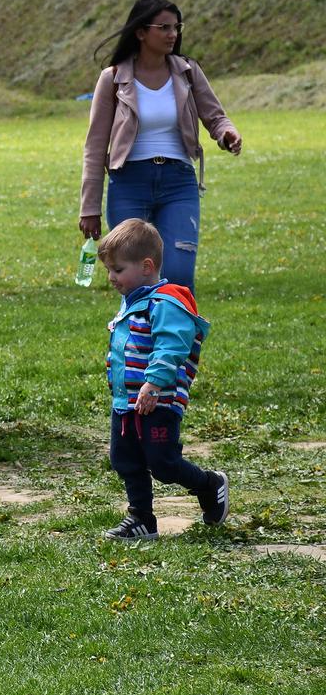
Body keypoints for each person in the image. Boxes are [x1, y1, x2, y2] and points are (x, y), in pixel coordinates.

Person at [79, 0, 241, 292]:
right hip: (129, 182)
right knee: (132, 278)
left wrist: (226, 133)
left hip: (178, 183)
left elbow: (215, 116)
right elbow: (95, 147)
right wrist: (89, 207)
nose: (173, 35)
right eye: (164, 28)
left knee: (178, 277)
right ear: (141, 32)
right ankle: (138, 339)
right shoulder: (113, 78)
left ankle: (177, 338)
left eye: (176, 27)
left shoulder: (187, 72)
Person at [96, 219, 228, 542]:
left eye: (117, 270)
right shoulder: (133, 300)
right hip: (127, 401)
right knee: (124, 459)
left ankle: (210, 485)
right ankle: (142, 518)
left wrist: (153, 383)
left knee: (163, 463)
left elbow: (172, 345)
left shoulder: (167, 302)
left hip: (159, 399)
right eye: (109, 271)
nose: (111, 278)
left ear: (146, 266)